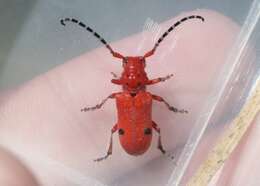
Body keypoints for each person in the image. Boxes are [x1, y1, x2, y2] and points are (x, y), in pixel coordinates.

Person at [0, 9, 257, 186]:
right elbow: (160, 98)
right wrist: (169, 102)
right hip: (137, 140)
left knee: (121, 129)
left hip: (132, 140)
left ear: (124, 76)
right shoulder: (146, 97)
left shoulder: (120, 95)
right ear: (142, 75)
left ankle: (130, 150)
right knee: (145, 126)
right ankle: (159, 148)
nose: (133, 68)